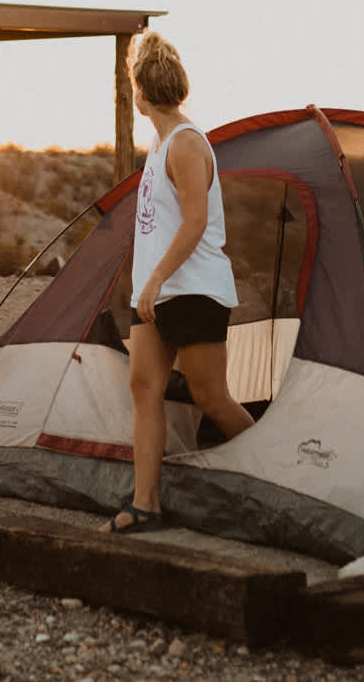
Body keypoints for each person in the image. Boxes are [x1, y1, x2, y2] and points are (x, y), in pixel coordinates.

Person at [101, 31, 255, 533]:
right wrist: (146, 283)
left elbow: (193, 223)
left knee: (212, 397)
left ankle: (274, 478)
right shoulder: (162, 141)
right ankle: (146, 505)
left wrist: (155, 281)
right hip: (158, 292)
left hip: (193, 291)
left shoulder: (187, 144)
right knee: (144, 386)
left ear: (142, 93)